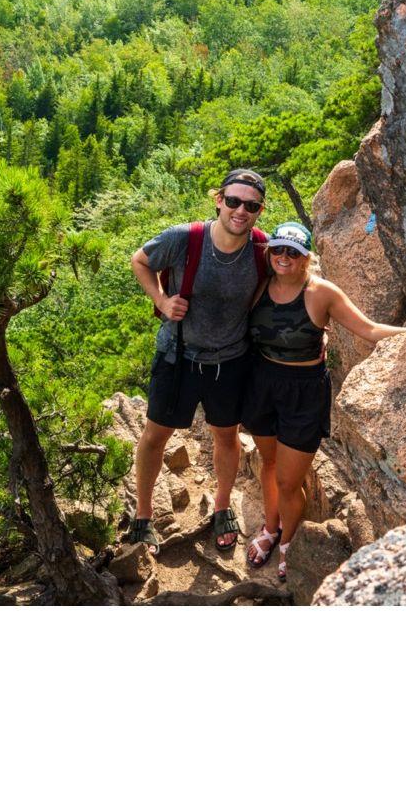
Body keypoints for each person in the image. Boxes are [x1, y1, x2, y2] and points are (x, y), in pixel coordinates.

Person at [241, 220, 406, 583]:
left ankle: (290, 543)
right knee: (268, 463)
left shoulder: (321, 293)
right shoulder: (259, 284)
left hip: (304, 392)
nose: (284, 257)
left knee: (290, 482)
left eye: (293, 251)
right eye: (278, 249)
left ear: (306, 257)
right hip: (261, 385)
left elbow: (368, 329)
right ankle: (271, 527)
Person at [126, 169, 270, 554]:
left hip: (231, 360)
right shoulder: (184, 239)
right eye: (234, 201)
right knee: (156, 436)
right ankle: (142, 518)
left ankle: (221, 507)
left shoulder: (263, 250)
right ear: (219, 200)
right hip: (178, 355)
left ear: (259, 210)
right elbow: (140, 261)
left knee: (225, 435)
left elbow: (294, 278)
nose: (241, 210)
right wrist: (161, 300)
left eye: (251, 205)